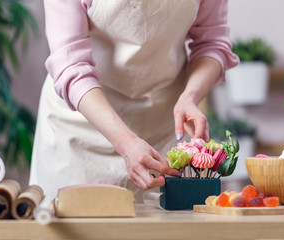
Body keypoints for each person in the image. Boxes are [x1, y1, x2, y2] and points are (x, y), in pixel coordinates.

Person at [29, 0, 239, 202]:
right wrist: (125, 141)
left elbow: (212, 43)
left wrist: (190, 96)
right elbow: (71, 66)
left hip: (162, 129)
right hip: (78, 131)